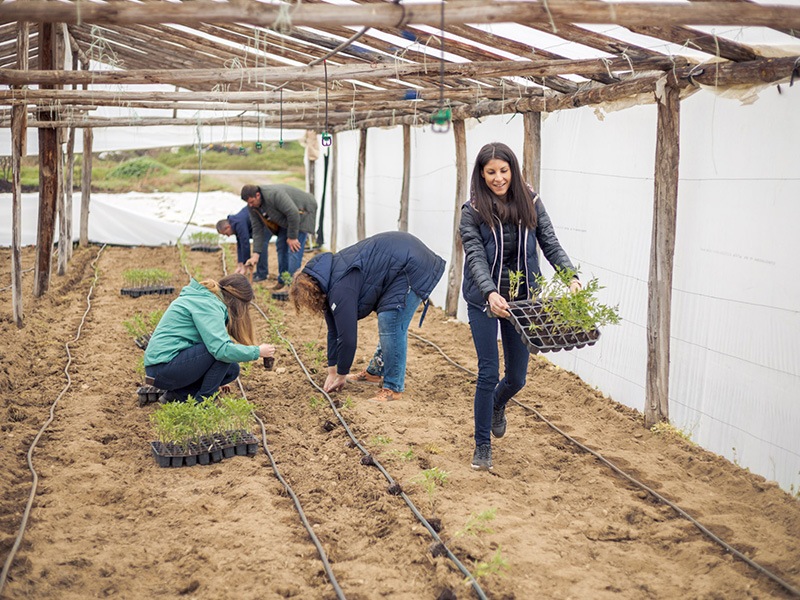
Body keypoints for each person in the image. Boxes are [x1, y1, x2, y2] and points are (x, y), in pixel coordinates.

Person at [460, 142, 581, 471]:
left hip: (522, 301)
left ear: (512, 170)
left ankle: (498, 405)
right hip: (484, 301)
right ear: (481, 174)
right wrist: (488, 293)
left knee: (517, 377)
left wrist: (571, 277)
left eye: (503, 171)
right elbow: (475, 257)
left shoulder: (531, 201)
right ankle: (482, 444)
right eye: (490, 172)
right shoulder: (472, 210)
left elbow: (549, 241)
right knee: (488, 372)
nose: (498, 178)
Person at [291, 231, 445, 403]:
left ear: (313, 292)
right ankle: (375, 372)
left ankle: (393, 388)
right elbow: (334, 331)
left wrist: (341, 375)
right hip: (403, 258)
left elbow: (348, 338)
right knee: (389, 319)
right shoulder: (329, 278)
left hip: (413, 265)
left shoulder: (340, 288)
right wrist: (332, 371)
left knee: (390, 321)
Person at [144, 274, 275, 402]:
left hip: (162, 367)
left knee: (231, 369)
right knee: (222, 351)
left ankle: (178, 395)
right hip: (163, 368)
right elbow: (221, 350)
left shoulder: (206, 299)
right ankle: (203, 402)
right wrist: (257, 351)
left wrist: (214, 380)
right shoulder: (209, 305)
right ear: (238, 301)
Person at [241, 184, 318, 290]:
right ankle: (283, 281)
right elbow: (257, 230)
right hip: (287, 219)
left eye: (251, 202)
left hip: (303, 212)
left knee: (293, 250)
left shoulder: (274, 195)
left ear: (257, 195)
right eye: (248, 203)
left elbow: (293, 213)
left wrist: (292, 237)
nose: (250, 205)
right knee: (281, 245)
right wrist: (256, 255)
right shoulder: (253, 207)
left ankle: (292, 287)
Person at [216, 206, 272, 282]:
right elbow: (240, 244)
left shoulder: (239, 223)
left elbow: (245, 243)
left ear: (228, 227)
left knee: (261, 245)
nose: (228, 236)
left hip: (265, 224)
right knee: (259, 245)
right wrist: (240, 264)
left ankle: (262, 274)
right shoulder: (235, 223)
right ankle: (260, 272)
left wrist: (245, 265)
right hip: (258, 224)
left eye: (226, 234)